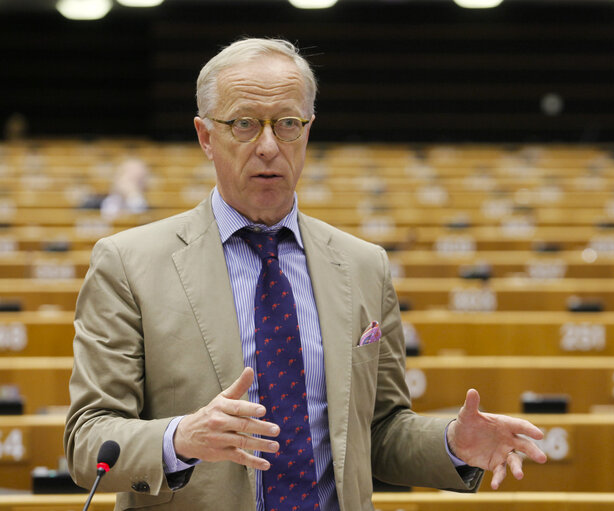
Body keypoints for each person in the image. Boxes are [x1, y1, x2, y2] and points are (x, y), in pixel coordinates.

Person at [65, 38, 547, 511]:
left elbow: (378, 430)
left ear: (308, 130)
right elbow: (88, 440)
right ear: (206, 136)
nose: (270, 146)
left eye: (288, 124)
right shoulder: (128, 263)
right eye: (245, 124)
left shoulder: (363, 265)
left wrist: (450, 444)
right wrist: (179, 438)